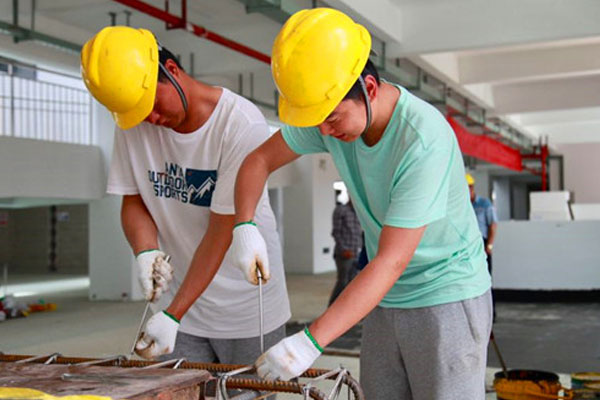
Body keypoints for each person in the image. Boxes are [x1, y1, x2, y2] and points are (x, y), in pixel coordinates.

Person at [229, 8, 492, 399]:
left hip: (446, 296)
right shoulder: (333, 120)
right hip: (384, 296)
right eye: (316, 119)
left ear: (369, 88)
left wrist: (309, 342)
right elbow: (257, 160)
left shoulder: (422, 139)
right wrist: (244, 226)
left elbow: (391, 259)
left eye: (330, 118)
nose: (322, 131)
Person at [80, 26, 290, 364]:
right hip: (180, 308)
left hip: (246, 309)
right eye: (136, 112)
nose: (150, 119)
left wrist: (173, 314)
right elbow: (133, 199)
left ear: (172, 72)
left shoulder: (239, 123)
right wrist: (145, 251)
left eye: (150, 105)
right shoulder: (135, 122)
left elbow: (221, 230)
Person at [467, 173, 498, 320]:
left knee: (485, 280)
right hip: (467, 245)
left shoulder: (485, 204)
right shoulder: (462, 205)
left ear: (471, 188)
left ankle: (490, 313)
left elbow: (493, 225)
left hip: (483, 244)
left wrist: (489, 246)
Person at [329, 200, 362, 305]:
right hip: (344, 254)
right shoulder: (341, 210)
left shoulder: (358, 212)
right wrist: (344, 250)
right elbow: (336, 233)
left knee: (353, 283)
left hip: (356, 253)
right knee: (342, 282)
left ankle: (349, 309)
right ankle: (332, 309)